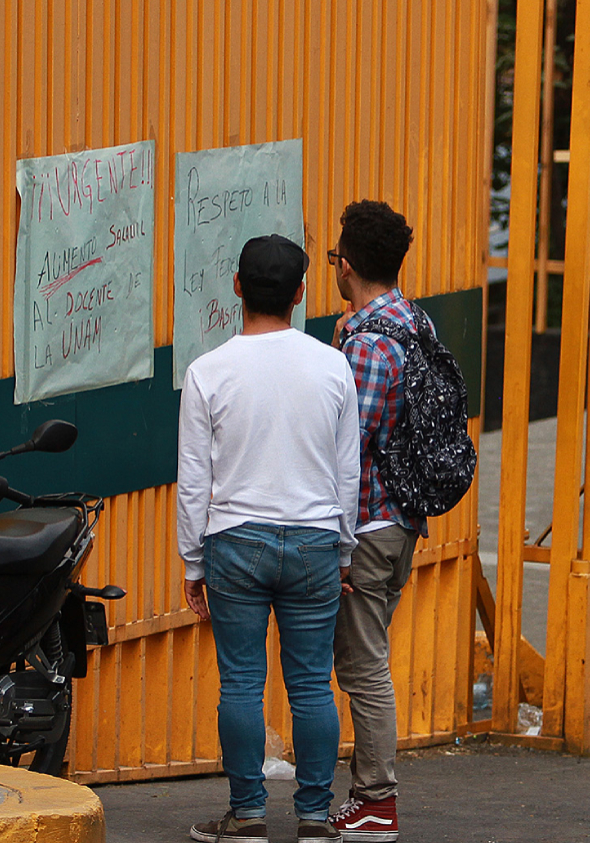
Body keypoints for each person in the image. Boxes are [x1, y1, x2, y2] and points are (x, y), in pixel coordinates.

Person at [179, 235, 359, 842]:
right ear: (300, 293)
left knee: (240, 683)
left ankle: (248, 815)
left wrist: (193, 561)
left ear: (237, 287)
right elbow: (347, 473)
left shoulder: (207, 372)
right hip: (314, 541)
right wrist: (344, 550)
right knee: (311, 684)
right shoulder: (332, 366)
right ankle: (314, 817)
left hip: (234, 541)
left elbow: (194, 480)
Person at [324, 200, 427, 843]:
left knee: (364, 668)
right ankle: (369, 801)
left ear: (348, 266)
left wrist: (335, 545)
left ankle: (375, 804)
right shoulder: (413, 322)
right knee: (370, 661)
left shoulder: (368, 346)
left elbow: (348, 450)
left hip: (366, 526)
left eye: (335, 257)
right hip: (403, 520)